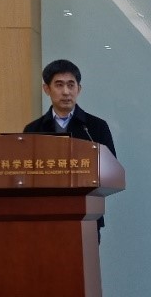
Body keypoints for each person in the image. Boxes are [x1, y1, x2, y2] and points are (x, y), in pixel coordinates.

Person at [24, 59, 117, 232]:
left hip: (86, 217)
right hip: (44, 216)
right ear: (47, 89)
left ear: (78, 89)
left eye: (71, 85)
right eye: (59, 85)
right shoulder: (33, 130)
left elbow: (111, 171)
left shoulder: (96, 127)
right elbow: (26, 174)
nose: (66, 92)